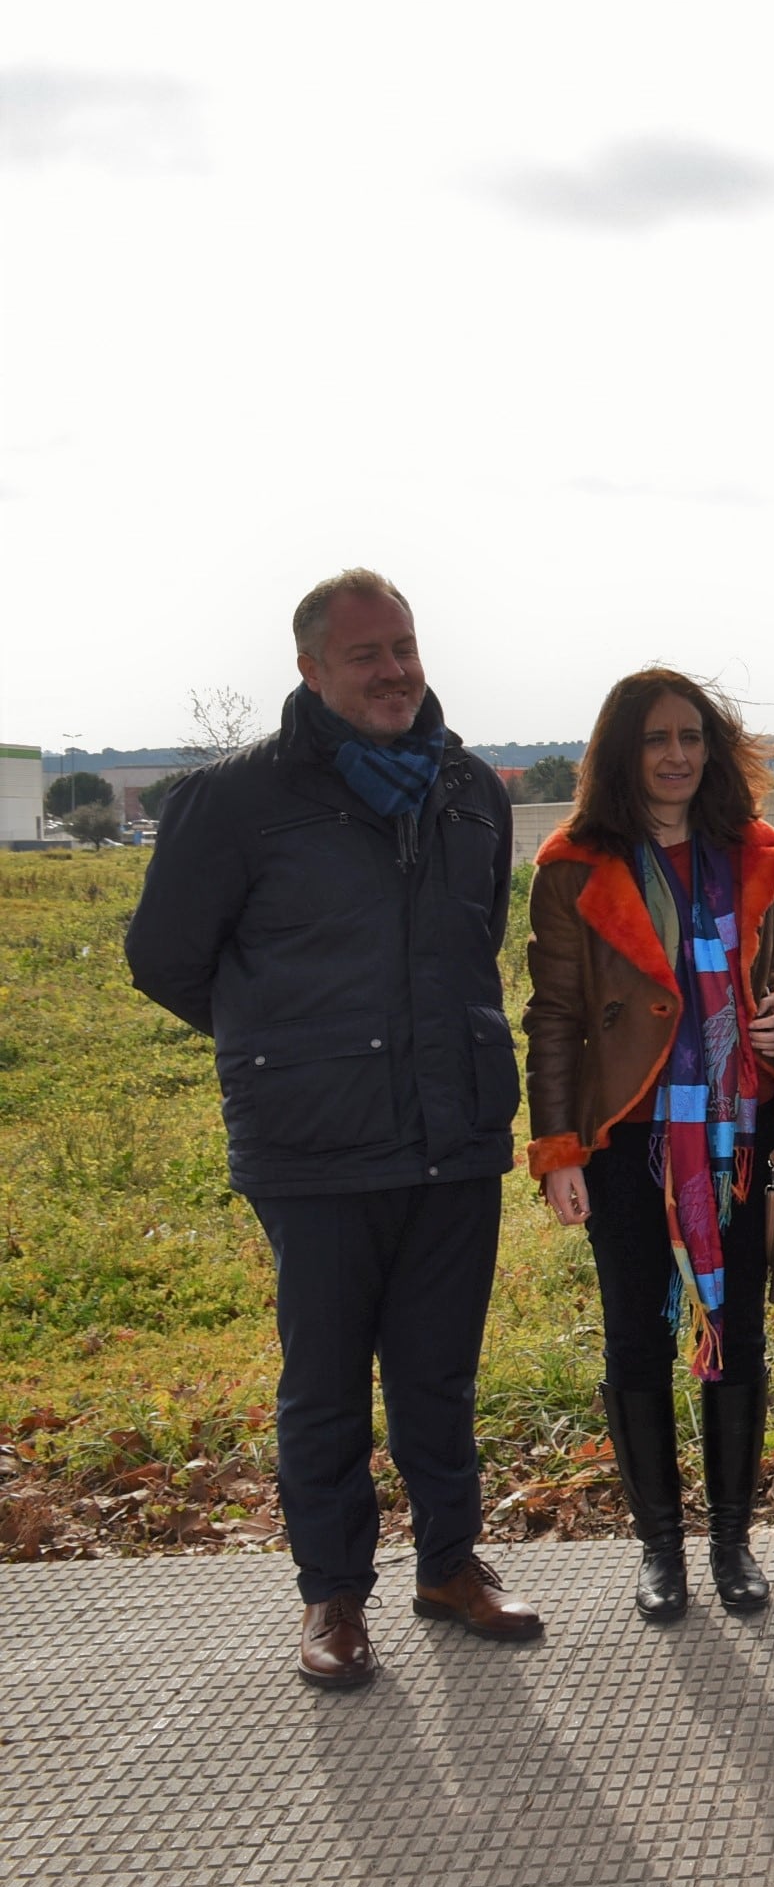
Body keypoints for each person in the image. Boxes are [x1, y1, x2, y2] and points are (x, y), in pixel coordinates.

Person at [124, 568, 539, 1689]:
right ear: (311, 669)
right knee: (324, 1381)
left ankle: (450, 1566)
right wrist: (286, 1039)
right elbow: (163, 956)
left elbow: (474, 939)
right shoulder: (237, 801)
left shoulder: (467, 790)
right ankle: (332, 1596)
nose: (395, 670)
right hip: (312, 1144)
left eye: (403, 646)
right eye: (367, 655)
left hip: (453, 1132)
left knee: (440, 1371)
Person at [524, 670, 774, 1622]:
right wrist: (558, 1148)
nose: (677, 756)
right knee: (636, 1334)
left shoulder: (749, 855)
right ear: (621, 755)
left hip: (736, 1130)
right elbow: (554, 1017)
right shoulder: (574, 867)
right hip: (627, 1136)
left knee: (740, 1330)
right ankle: (659, 1550)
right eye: (656, 740)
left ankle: (731, 1541)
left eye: (692, 737)